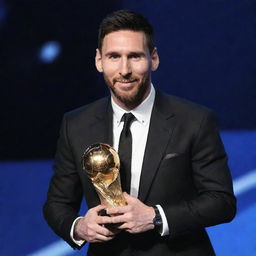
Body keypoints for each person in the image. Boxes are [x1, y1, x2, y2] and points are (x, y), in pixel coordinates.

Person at [43, 10, 236, 256]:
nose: (124, 70)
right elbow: (57, 204)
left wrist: (155, 217)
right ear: (99, 61)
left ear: (153, 59)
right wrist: (79, 227)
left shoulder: (195, 120)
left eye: (134, 56)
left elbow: (222, 202)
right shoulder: (76, 124)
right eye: (114, 56)